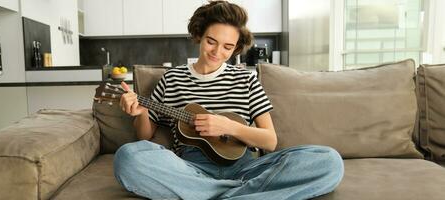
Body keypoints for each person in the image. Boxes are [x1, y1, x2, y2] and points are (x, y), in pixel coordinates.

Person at [114, 1, 344, 199]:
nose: (217, 52)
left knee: (329, 161)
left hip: (246, 169)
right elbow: (144, 135)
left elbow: (269, 141)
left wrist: (229, 126)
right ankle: (242, 194)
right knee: (128, 157)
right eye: (211, 41)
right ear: (198, 36)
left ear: (236, 48)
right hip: (189, 169)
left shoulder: (246, 80)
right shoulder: (172, 78)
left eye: (228, 47)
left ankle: (205, 195)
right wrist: (141, 111)